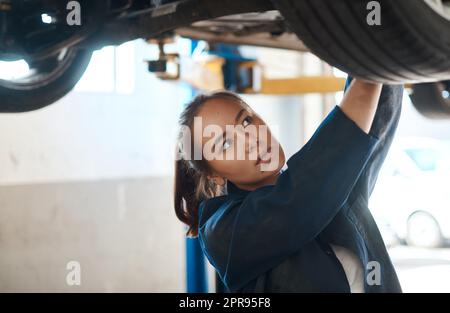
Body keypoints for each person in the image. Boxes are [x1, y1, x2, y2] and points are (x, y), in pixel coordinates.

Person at [174, 75, 403, 292]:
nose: (250, 140)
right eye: (225, 144)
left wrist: (378, 49)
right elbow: (301, 196)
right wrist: (370, 70)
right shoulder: (224, 233)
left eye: (245, 121)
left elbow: (374, 124)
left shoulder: (330, 185)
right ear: (215, 176)